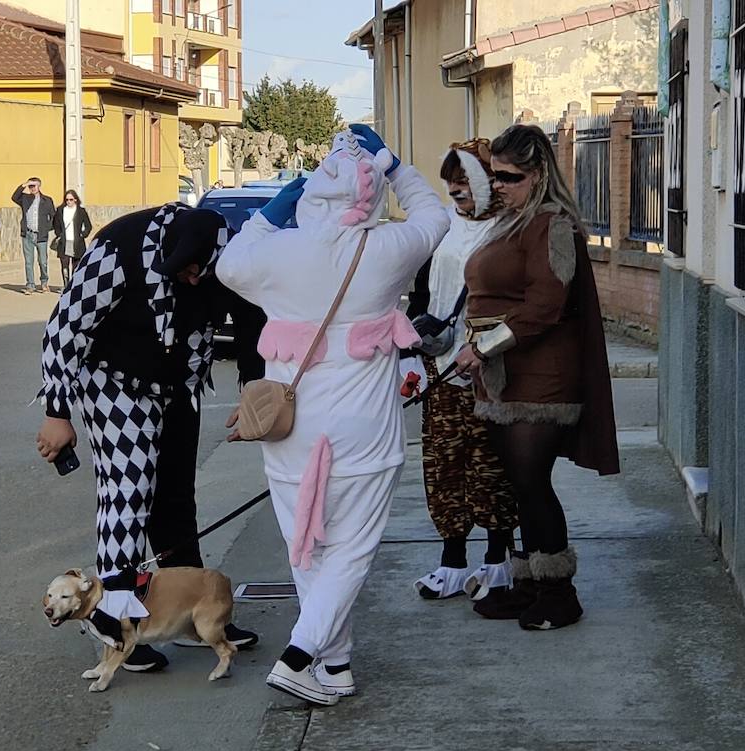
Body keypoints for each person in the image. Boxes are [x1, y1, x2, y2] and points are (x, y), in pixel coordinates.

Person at [217, 125, 450, 706]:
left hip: (291, 427)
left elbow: (229, 263)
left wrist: (273, 212)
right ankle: (303, 654)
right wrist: (393, 164)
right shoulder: (388, 249)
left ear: (312, 193)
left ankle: (336, 664)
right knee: (350, 549)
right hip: (365, 429)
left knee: (308, 549)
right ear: (371, 198)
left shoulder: (277, 252)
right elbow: (433, 215)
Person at [35, 202, 264, 674]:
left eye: (205, 272)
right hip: (113, 381)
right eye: (187, 272)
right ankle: (117, 625)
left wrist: (253, 396)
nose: (197, 281)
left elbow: (251, 330)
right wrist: (57, 412)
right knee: (128, 495)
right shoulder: (122, 248)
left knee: (177, 497)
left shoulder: (236, 260)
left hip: (180, 382)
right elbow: (63, 331)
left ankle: (193, 612)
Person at [451, 123, 620, 631]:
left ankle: (558, 592)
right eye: (494, 175)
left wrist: (483, 346)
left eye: (511, 176)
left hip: (541, 379)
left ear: (539, 173)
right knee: (520, 485)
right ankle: (528, 584)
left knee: (531, 482)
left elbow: (546, 307)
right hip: (503, 375)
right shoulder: (511, 222)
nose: (498, 184)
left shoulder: (552, 224)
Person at [409, 139, 520, 605]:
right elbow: (422, 293)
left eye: (465, 188)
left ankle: (498, 559)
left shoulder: (508, 231)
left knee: (491, 466)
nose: (459, 199)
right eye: (452, 192)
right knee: (443, 465)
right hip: (440, 368)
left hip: (490, 372)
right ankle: (452, 562)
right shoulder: (445, 229)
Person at [12, 177, 56, 293]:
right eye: (30, 186)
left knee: (43, 261)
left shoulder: (47, 200)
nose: (32, 188)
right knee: (28, 262)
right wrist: (24, 184)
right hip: (28, 234)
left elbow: (53, 217)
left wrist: (46, 228)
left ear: (39, 186)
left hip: (41, 235)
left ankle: (44, 282)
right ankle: (30, 285)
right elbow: (14, 197)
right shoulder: (25, 199)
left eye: (34, 186)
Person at [49, 189, 92, 280]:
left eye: (71, 199)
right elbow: (55, 224)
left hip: (77, 242)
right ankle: (66, 285)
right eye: (67, 200)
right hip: (64, 242)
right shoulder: (60, 210)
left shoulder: (81, 211)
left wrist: (82, 235)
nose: (68, 201)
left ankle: (73, 284)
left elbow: (88, 226)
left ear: (75, 199)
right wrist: (59, 234)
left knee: (76, 266)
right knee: (64, 265)